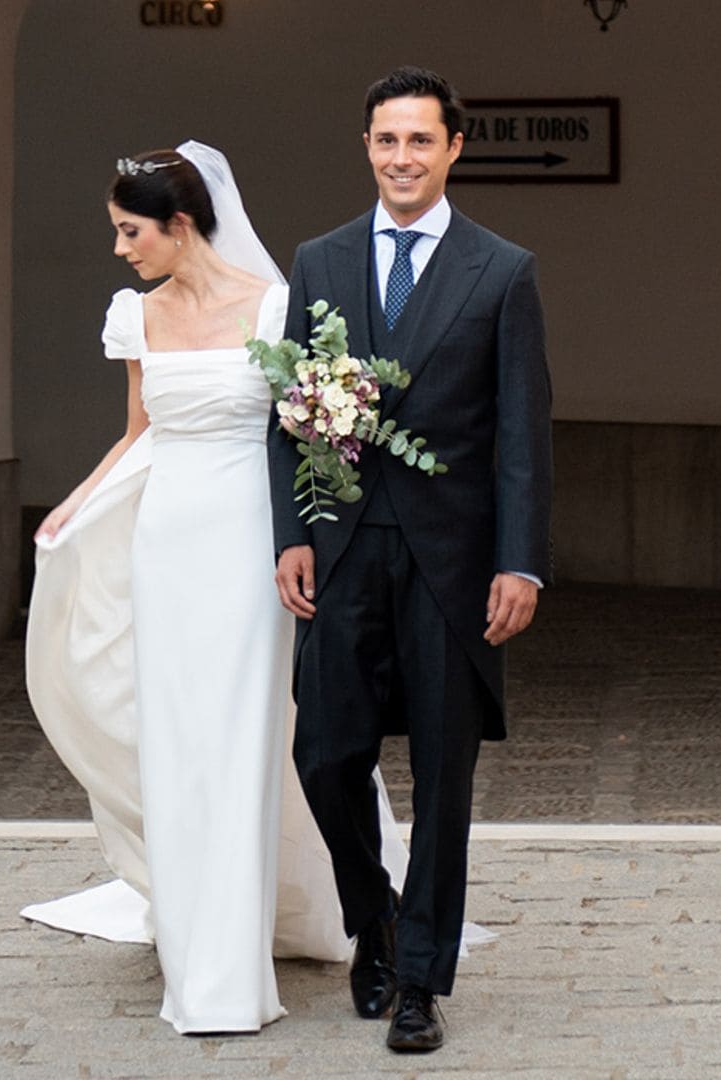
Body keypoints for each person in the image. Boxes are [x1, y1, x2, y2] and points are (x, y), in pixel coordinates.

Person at [20, 141, 415, 1035]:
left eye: (132, 231)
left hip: (251, 540)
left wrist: (308, 536)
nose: (122, 249)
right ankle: (198, 946)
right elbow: (136, 434)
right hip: (169, 539)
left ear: (181, 224)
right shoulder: (137, 316)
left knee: (249, 734)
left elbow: (308, 436)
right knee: (178, 737)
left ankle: (247, 960)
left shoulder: (274, 306)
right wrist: (71, 510)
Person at [270, 66, 553, 1054]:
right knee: (323, 753)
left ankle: (420, 982)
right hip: (343, 551)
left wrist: (520, 562)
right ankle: (375, 914)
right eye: (388, 142)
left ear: (453, 149)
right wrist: (292, 531)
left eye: (421, 142)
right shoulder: (320, 260)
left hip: (453, 562)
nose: (403, 158)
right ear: (367, 148)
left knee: (443, 772)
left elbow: (523, 434)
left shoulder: (501, 271)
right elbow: (289, 413)